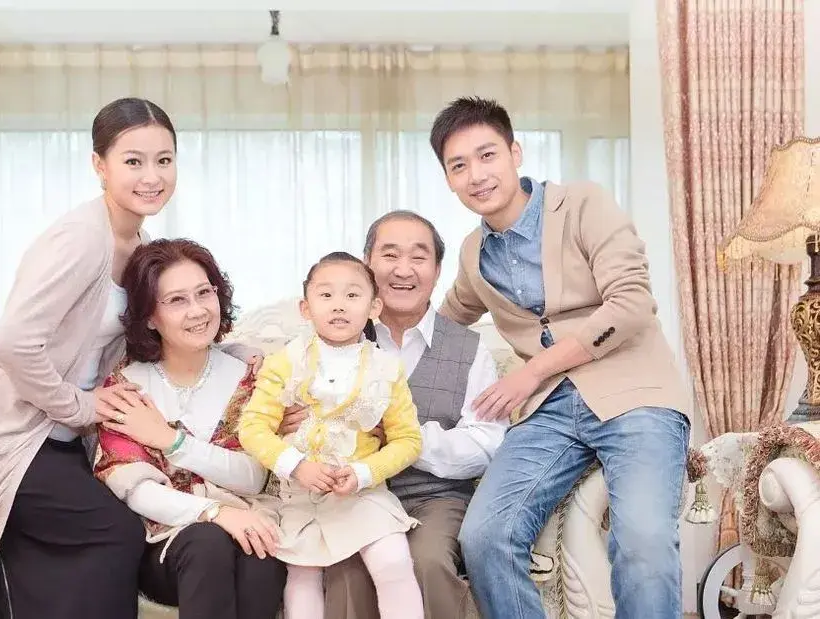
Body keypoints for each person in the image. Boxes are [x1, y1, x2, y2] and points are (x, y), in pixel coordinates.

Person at [0, 98, 255, 619]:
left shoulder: (138, 242)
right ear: (99, 165)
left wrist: (245, 361)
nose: (152, 176)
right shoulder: (81, 239)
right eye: (133, 161)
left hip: (59, 438)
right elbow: (12, 342)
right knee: (115, 531)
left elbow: (154, 334)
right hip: (8, 438)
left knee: (86, 544)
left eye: (164, 160)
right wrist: (81, 407)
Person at [431, 96, 691, 618]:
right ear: (449, 180)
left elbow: (631, 303)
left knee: (643, 542)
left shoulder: (583, 204)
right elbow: (443, 324)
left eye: (487, 155)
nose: (476, 175)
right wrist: (357, 341)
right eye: (459, 166)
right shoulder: (472, 253)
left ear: (515, 153)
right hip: (547, 414)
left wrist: (531, 371)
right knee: (484, 536)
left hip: (634, 392)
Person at [282, 211, 507, 619]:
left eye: (419, 257)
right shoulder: (328, 340)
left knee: (427, 561)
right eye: (389, 255)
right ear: (367, 264)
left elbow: (486, 442)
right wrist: (287, 426)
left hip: (435, 497)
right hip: (346, 495)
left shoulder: (470, 349)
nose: (404, 269)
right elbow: (275, 411)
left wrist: (400, 439)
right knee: (345, 567)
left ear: (437, 271)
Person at [93, 238, 287, 619]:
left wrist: (172, 441)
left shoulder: (251, 378)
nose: (197, 310)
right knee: (207, 542)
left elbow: (253, 477)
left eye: (204, 293)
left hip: (248, 522)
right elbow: (137, 491)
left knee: (262, 553)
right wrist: (215, 512)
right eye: (177, 300)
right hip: (166, 543)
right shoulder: (127, 387)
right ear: (150, 316)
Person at [238, 252, 425, 619]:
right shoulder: (285, 362)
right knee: (302, 573)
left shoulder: (387, 369)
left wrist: (364, 473)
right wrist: (297, 466)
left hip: (361, 491)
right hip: (300, 492)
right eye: (326, 295)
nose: (339, 305)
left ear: (374, 307)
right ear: (305, 308)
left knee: (393, 560)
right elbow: (253, 427)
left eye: (352, 295)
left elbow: (409, 440)